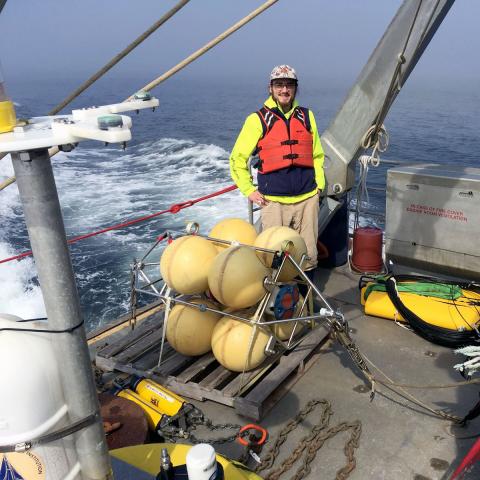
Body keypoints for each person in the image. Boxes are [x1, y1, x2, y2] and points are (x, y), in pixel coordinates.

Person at [229, 65, 325, 272]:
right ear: (270, 88)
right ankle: (279, 303)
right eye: (279, 85)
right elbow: (237, 159)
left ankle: (305, 301)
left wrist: (319, 187)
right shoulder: (256, 120)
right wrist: (249, 190)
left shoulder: (308, 116)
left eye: (289, 85)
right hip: (273, 202)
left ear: (295, 88)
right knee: (275, 259)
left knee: (308, 256)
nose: (284, 90)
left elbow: (317, 154)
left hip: (307, 199)